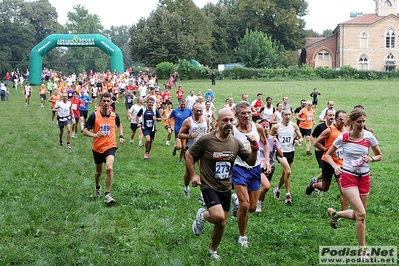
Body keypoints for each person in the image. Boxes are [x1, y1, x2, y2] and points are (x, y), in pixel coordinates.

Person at [187, 108, 259, 260]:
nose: (228, 123)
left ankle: (212, 249)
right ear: (217, 122)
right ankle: (205, 216)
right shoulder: (207, 140)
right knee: (219, 217)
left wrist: (254, 147)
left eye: (231, 120)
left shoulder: (236, 143)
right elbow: (189, 154)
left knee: (221, 223)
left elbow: (250, 162)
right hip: (208, 185)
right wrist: (193, 174)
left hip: (225, 187)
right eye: (225, 120)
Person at [325, 108, 381, 257]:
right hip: (348, 177)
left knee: (358, 215)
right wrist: (336, 166)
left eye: (364, 121)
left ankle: (336, 214)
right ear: (351, 122)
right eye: (359, 122)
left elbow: (379, 155)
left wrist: (372, 159)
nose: (362, 124)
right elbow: (328, 155)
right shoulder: (343, 137)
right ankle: (363, 250)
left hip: (364, 178)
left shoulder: (369, 137)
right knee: (361, 214)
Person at [231, 101, 270, 248]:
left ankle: (236, 200)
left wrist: (266, 160)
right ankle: (242, 236)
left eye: (248, 113)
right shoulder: (233, 131)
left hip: (255, 169)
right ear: (236, 115)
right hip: (239, 168)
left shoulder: (257, 127)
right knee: (245, 205)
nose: (247, 116)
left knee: (253, 207)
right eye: (243, 113)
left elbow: (265, 144)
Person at [83, 92, 125, 204]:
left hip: (110, 145)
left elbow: (119, 125)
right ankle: (97, 187)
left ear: (111, 102)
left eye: (108, 101)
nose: (106, 103)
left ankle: (108, 194)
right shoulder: (94, 115)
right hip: (97, 147)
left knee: (109, 168)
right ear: (100, 102)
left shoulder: (114, 116)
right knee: (98, 172)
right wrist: (95, 135)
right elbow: (85, 131)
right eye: (104, 101)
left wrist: (121, 136)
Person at [307, 110, 349, 210]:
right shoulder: (329, 130)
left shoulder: (344, 130)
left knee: (342, 188)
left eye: (344, 120)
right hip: (327, 161)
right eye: (341, 120)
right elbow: (316, 142)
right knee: (325, 188)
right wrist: (326, 150)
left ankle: (345, 212)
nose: (343, 122)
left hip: (340, 163)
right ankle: (313, 186)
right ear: (335, 119)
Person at [255, 120, 289, 213]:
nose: (265, 129)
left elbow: (281, 155)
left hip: (270, 165)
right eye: (263, 127)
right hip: (258, 166)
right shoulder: (255, 139)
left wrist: (275, 145)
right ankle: (256, 203)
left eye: (267, 127)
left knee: (265, 188)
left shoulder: (273, 139)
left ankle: (259, 204)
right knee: (266, 186)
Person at [178, 102, 210, 197]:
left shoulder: (206, 119)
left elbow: (208, 131)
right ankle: (186, 188)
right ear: (193, 111)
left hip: (203, 150)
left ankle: (203, 192)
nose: (199, 113)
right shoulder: (188, 121)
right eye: (197, 111)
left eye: (201, 111)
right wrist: (190, 136)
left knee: (204, 171)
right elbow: (180, 135)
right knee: (189, 172)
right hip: (191, 151)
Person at [272, 108, 303, 204]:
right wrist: (275, 143)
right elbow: (270, 137)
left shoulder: (293, 125)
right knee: (288, 171)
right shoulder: (276, 126)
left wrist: (298, 141)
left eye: (289, 114)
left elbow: (301, 137)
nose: (288, 117)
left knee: (284, 173)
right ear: (282, 115)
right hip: (281, 153)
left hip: (290, 151)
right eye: (286, 114)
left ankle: (277, 189)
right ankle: (288, 195)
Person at [308, 108, 335, 189]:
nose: (332, 117)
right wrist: (316, 145)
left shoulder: (335, 127)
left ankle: (316, 180)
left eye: (333, 115)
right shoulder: (320, 127)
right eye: (330, 115)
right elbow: (312, 136)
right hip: (321, 152)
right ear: (325, 116)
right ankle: (318, 185)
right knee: (325, 169)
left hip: (331, 152)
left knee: (328, 169)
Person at [169, 99, 192, 163]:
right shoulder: (175, 111)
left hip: (185, 131)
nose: (183, 105)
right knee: (179, 146)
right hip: (178, 130)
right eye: (182, 104)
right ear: (179, 104)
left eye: (184, 104)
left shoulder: (189, 111)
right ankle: (175, 148)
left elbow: (192, 119)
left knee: (184, 147)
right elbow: (169, 117)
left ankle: (180, 159)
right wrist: (171, 126)